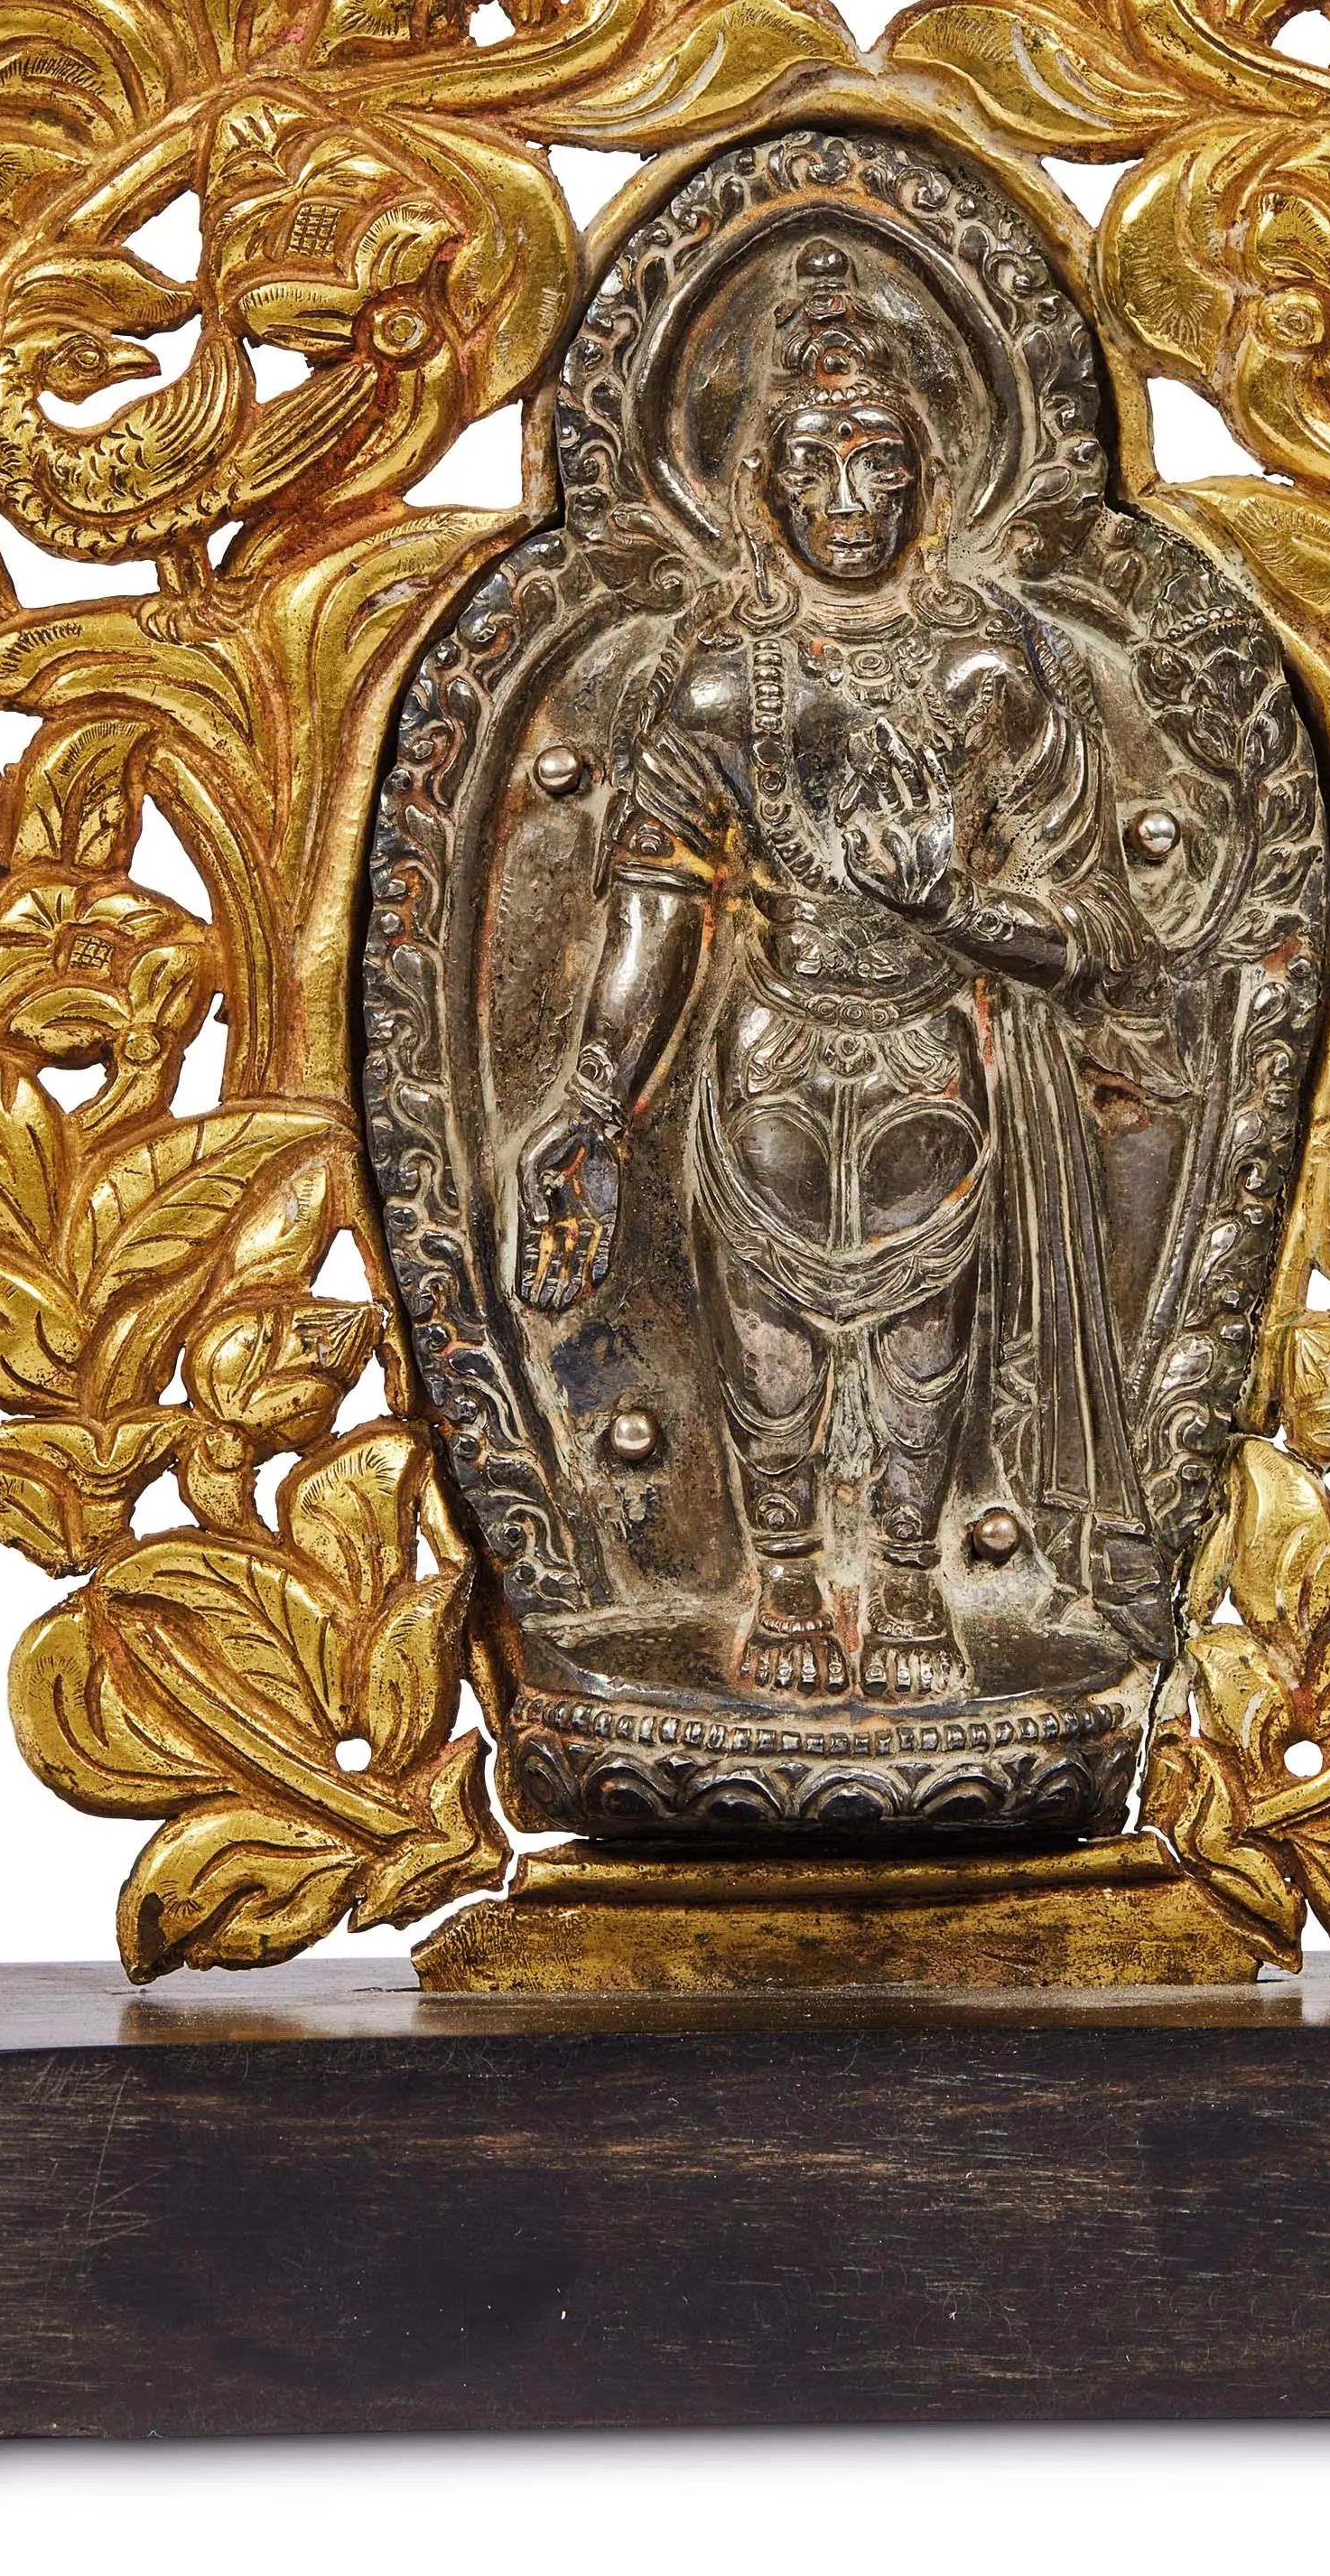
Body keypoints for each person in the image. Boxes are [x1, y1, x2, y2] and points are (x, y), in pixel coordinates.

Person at [516, 241, 1149, 1702]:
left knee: (926, 1352)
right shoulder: (717, 682)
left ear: (934, 481)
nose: (850, 503)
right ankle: (791, 1588)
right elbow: (658, 907)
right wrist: (597, 1098)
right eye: (815, 469)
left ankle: (915, 1590)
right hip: (770, 1053)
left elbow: (1096, 928)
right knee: (771, 1356)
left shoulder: (991, 671)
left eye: (880, 466)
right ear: (764, 490)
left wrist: (961, 914)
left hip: (932, 1052)